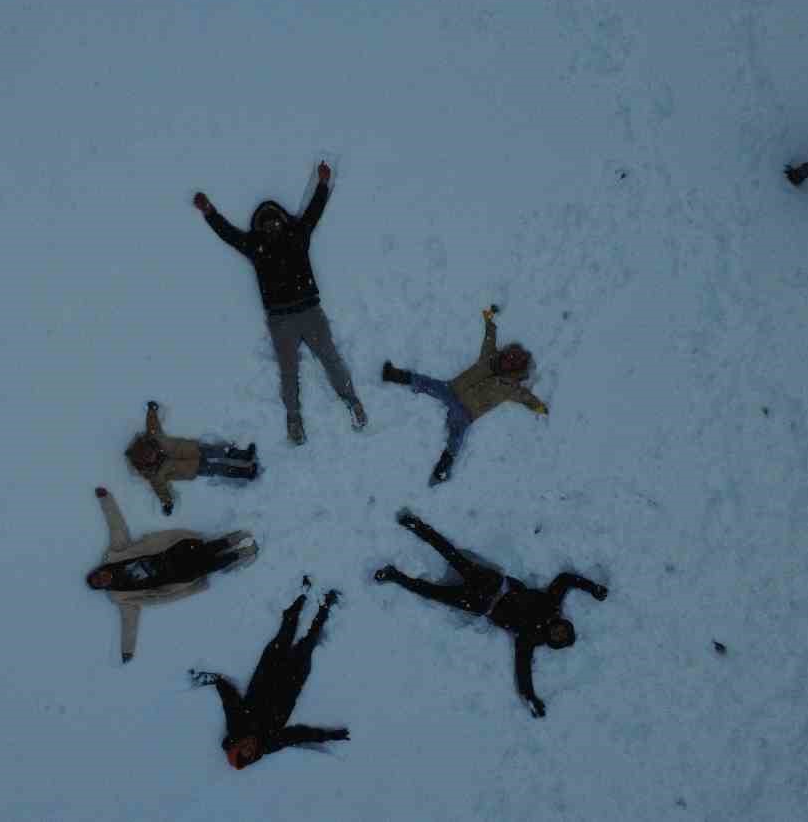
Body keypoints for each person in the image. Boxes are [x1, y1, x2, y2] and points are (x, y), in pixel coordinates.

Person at [372, 509, 607, 718]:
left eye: (558, 637)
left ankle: (394, 575)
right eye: (563, 630)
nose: (558, 632)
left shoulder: (530, 639)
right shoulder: (551, 604)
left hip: (480, 605)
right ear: (564, 623)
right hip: (493, 584)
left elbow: (523, 670)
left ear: (553, 642)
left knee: (433, 593)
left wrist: (530, 697)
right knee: (452, 555)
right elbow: (565, 579)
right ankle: (415, 525)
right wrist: (592, 588)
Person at [193, 162, 366, 445]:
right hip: (280, 320)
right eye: (267, 223)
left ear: (283, 220)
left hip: (309, 311)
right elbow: (229, 234)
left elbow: (314, 212)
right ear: (260, 227)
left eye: (275, 221)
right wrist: (209, 212)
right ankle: (293, 420)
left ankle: (353, 402)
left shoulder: (298, 234)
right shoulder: (255, 245)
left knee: (330, 358)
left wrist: (323, 184)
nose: (272, 226)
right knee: (289, 372)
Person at [380, 305, 548, 486]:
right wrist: (489, 320)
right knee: (426, 382)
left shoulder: (511, 387)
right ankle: (393, 375)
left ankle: (440, 473)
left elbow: (525, 397)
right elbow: (489, 337)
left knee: (455, 441)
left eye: (513, 363)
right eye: (509, 357)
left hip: (466, 412)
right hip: (451, 390)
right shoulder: (489, 357)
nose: (508, 361)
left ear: (517, 369)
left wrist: (538, 406)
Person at [189, 579, 349, 769]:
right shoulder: (268, 744)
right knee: (308, 643)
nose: (249, 746)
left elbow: (230, 701)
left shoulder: (237, 727)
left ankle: (301, 595)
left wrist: (216, 681)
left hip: (268, 672)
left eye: (243, 747)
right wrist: (329, 735)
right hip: (291, 682)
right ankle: (326, 605)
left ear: (237, 744)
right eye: (250, 752)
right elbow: (298, 736)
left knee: (286, 633)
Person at [86, 487, 256, 663]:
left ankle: (234, 539)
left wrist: (105, 499)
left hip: (171, 552)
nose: (102, 578)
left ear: (100, 569)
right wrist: (127, 650)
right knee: (210, 565)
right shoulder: (120, 596)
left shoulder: (115, 556)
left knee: (206, 549)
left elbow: (116, 527)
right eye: (100, 583)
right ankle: (241, 553)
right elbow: (129, 622)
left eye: (98, 575)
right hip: (176, 576)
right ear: (103, 587)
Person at [126, 401, 258, 516]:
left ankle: (245, 455)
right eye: (149, 457)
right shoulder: (154, 474)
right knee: (219, 468)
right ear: (145, 462)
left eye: (151, 452)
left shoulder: (154, 437)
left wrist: (152, 410)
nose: (153, 455)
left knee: (220, 451)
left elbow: (152, 424)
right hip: (193, 468)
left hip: (193, 449)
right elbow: (161, 490)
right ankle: (246, 473)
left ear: (148, 445)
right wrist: (167, 503)